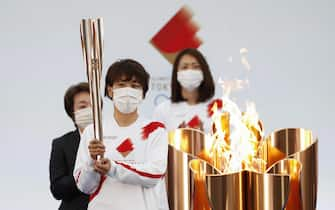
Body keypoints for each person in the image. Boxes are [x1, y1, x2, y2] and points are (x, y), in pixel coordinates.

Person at [74, 59, 168, 210]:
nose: (128, 90)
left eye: (135, 86)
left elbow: (154, 175)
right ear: (110, 90)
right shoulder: (94, 131)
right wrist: (92, 163)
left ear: (143, 93)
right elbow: (84, 186)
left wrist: (113, 168)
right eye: (121, 85)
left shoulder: (154, 130)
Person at [153, 48, 222, 133]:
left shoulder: (218, 109)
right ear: (176, 73)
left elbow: (226, 143)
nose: (190, 71)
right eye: (184, 67)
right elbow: (157, 144)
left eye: (196, 67)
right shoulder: (163, 110)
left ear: (204, 72)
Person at [49, 82, 92, 210]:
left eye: (93, 105)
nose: (89, 110)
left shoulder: (113, 139)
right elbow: (57, 189)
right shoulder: (61, 144)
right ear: (72, 112)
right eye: (83, 106)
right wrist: (85, 174)